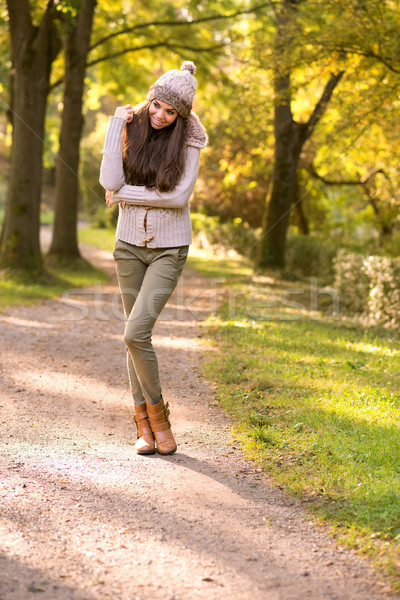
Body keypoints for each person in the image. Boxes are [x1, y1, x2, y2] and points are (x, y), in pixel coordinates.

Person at [99, 61, 207, 456]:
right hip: (127, 245)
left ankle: (160, 420)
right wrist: (115, 124)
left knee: (133, 333)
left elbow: (178, 198)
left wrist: (126, 194)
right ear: (151, 99)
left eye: (170, 111)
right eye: (157, 105)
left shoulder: (190, 141)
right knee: (135, 337)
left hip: (168, 249)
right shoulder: (132, 126)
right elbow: (110, 182)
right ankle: (144, 427)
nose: (161, 116)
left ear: (181, 116)